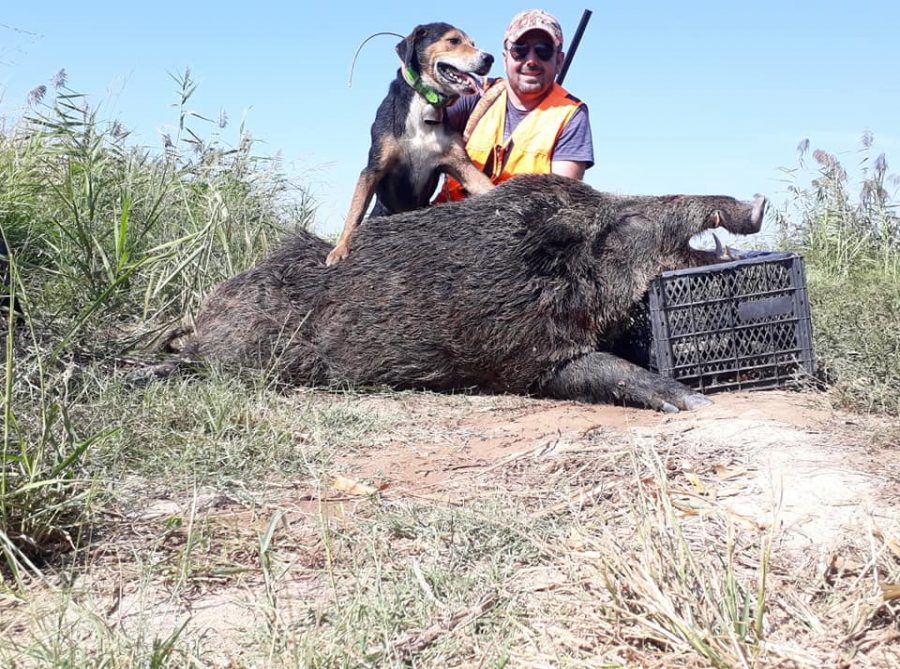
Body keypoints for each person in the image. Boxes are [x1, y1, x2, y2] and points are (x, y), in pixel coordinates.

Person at [437, 9, 594, 202]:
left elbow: (561, 203)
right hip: (445, 221)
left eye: (543, 51)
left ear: (559, 61)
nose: (531, 61)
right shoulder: (476, 94)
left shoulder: (571, 115)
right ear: (505, 58)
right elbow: (424, 129)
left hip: (522, 229)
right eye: (519, 50)